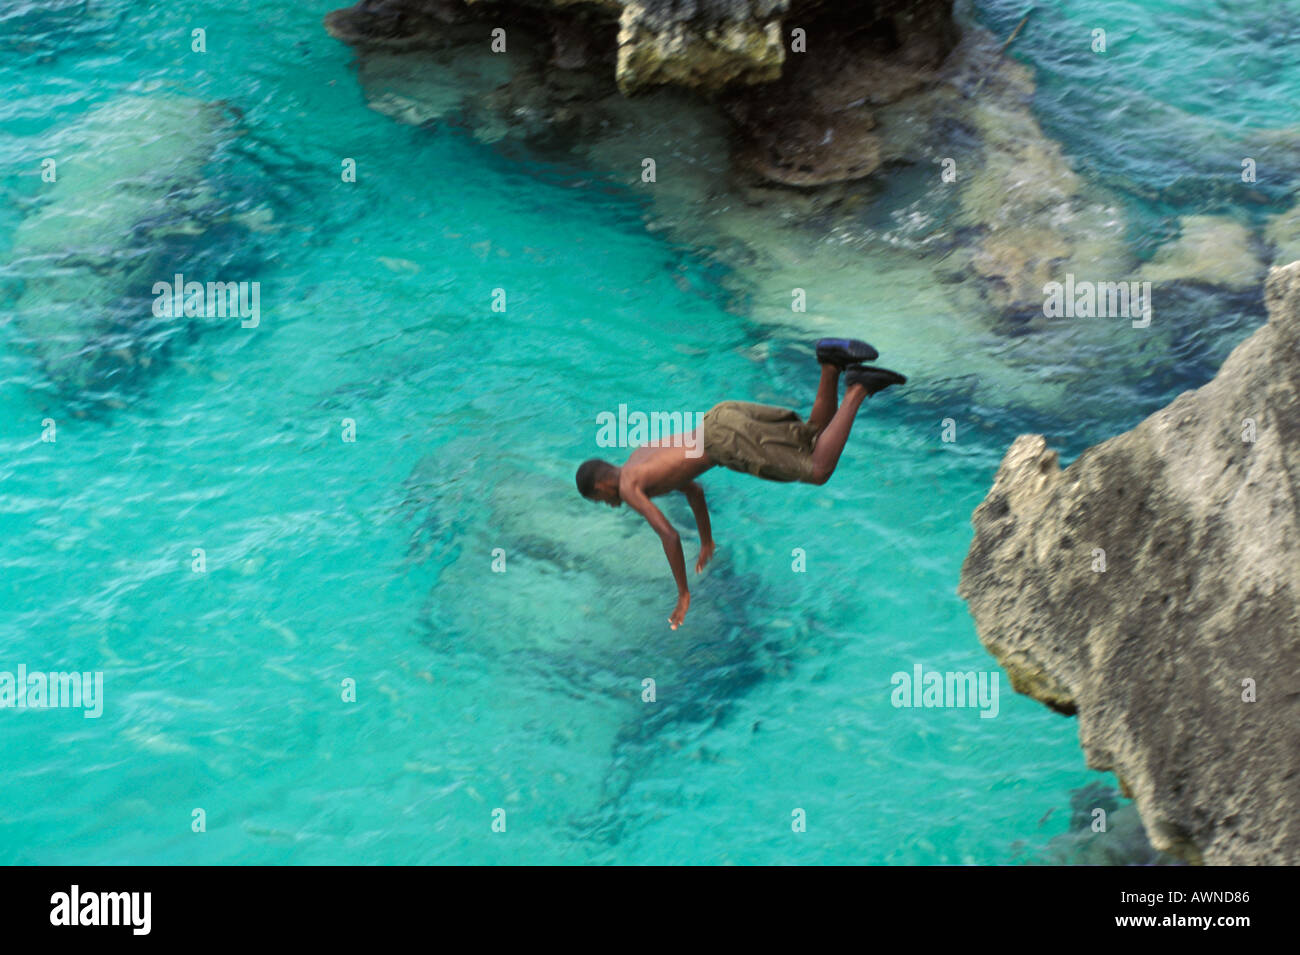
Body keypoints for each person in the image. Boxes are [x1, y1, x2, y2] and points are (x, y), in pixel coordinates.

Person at [575, 339, 905, 629]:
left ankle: (857, 388)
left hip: (724, 441)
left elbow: (669, 535)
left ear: (603, 486)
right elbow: (694, 489)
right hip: (720, 417)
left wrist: (683, 593)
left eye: (602, 500)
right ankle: (830, 363)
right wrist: (707, 541)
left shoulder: (630, 486)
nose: (610, 504)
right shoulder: (638, 458)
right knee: (811, 437)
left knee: (818, 470)